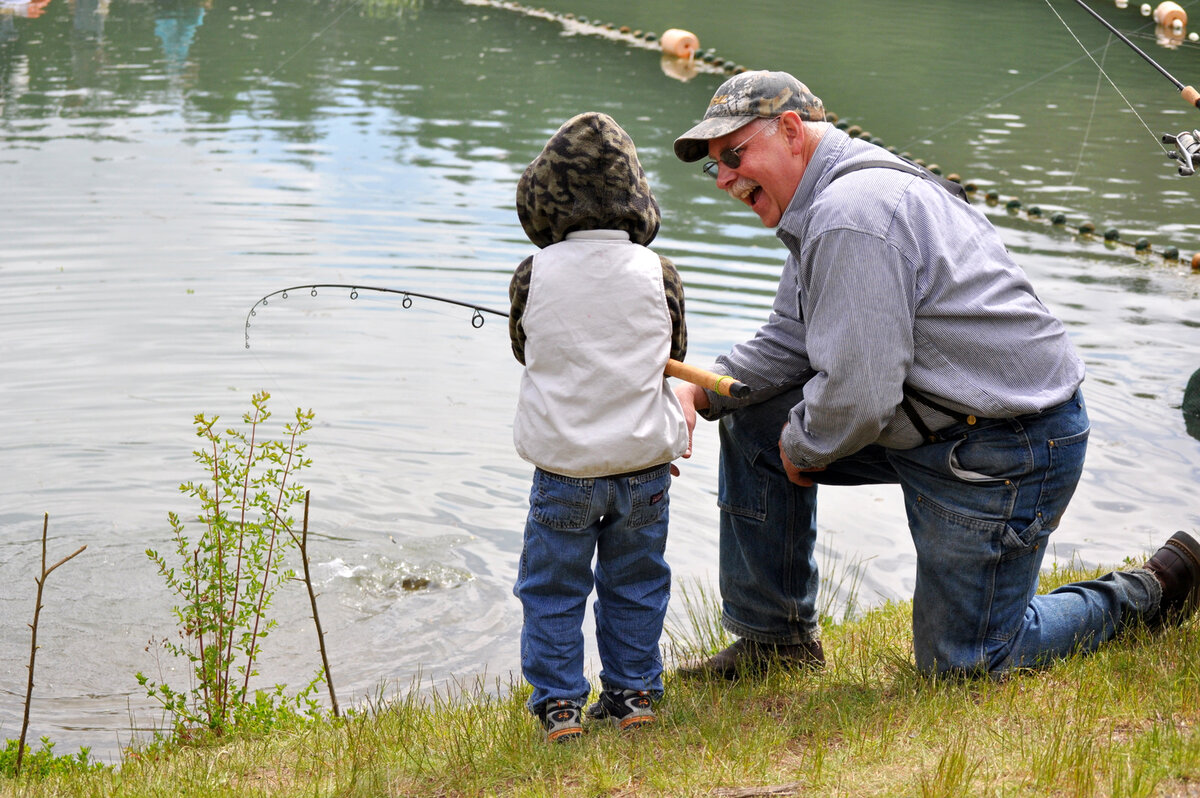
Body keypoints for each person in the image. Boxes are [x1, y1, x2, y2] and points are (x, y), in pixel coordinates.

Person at [669, 70, 1200, 679]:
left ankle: (1155, 588)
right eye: (715, 167)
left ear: (791, 131)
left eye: (733, 156)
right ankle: (775, 645)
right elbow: (790, 340)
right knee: (750, 417)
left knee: (966, 664)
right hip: (937, 420)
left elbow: (861, 394)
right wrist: (703, 389)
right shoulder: (823, 202)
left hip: (1007, 444)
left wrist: (804, 444)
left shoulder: (850, 213)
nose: (727, 179)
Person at [509, 112, 690, 740]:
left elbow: (521, 348)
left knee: (553, 589)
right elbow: (673, 353)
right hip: (644, 470)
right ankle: (633, 695)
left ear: (541, 194)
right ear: (637, 197)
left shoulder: (534, 274)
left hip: (564, 471)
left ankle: (560, 705)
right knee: (636, 584)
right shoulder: (659, 272)